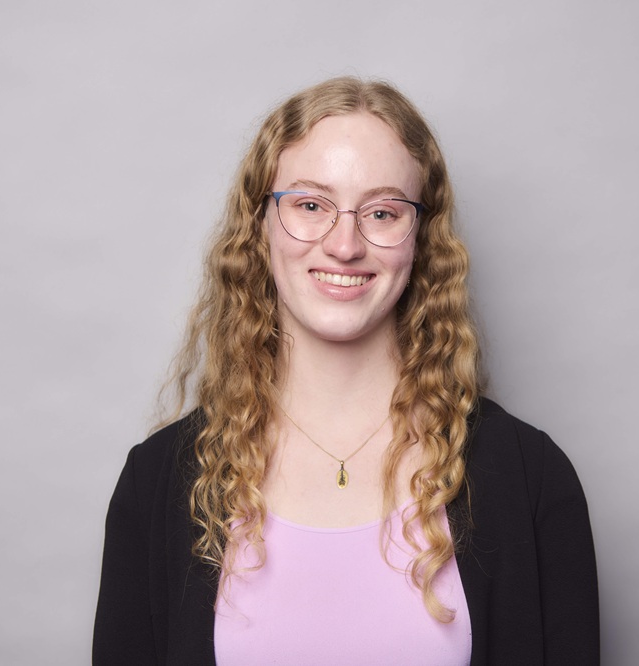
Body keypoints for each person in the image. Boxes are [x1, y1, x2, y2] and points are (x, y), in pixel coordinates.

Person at [93, 77, 599, 665]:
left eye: (382, 212)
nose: (345, 245)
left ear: (422, 238)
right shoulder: (155, 484)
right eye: (310, 205)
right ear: (260, 224)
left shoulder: (531, 479)